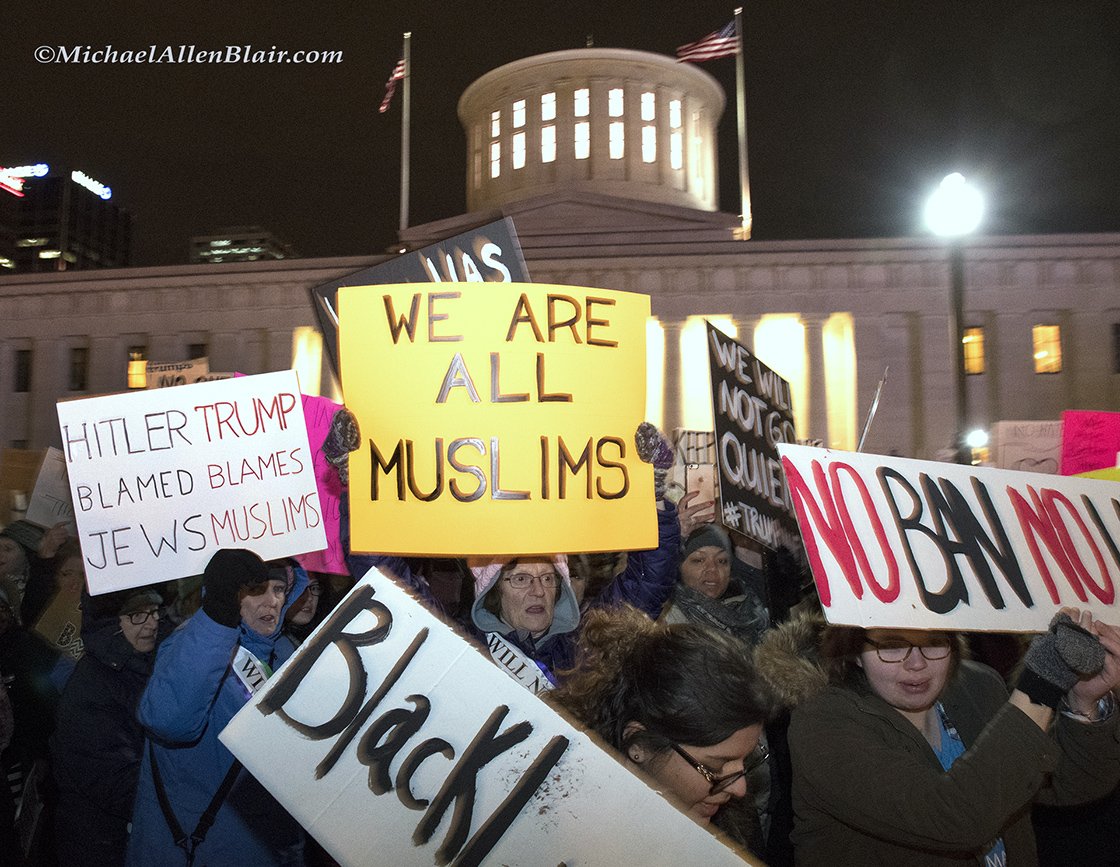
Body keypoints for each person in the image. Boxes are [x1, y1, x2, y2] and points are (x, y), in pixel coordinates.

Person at [776, 610, 1120, 865]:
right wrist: (1040, 688)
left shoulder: (978, 686)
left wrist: (1082, 703)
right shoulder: (823, 723)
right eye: (892, 646)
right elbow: (953, 818)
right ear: (853, 651)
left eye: (935, 642)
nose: (916, 664)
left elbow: (1064, 784)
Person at [126, 550, 308, 866]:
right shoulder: (191, 644)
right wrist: (218, 616)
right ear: (231, 593)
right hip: (201, 851)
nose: (272, 601)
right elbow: (168, 721)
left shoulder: (284, 650)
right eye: (257, 590)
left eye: (279, 589)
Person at [549, 606, 773, 855]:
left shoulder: (731, 828)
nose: (739, 789)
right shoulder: (561, 835)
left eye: (747, 760)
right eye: (713, 768)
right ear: (638, 745)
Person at [51, 587, 165, 866]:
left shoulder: (145, 664)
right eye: (137, 615)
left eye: (153, 612)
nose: (152, 623)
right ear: (110, 624)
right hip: (103, 842)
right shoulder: (91, 687)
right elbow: (113, 780)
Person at [661, 523, 769, 647]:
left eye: (721, 561)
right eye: (699, 560)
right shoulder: (666, 619)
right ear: (680, 567)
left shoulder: (753, 607)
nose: (712, 568)